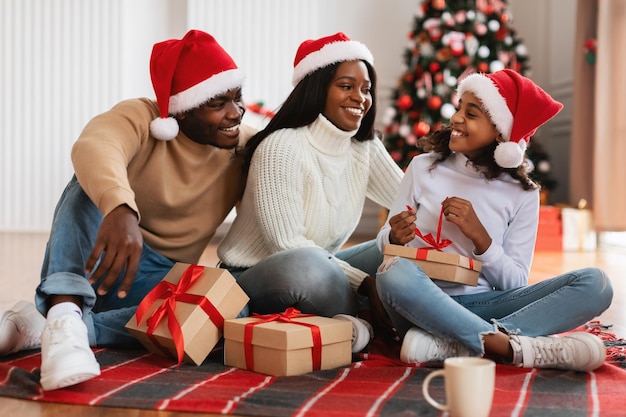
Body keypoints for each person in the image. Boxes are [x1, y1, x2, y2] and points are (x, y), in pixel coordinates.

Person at [0, 29, 255, 390]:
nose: (235, 113)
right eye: (218, 104)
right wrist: (120, 208)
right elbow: (94, 144)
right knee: (86, 186)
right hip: (100, 254)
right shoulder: (142, 116)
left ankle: (62, 327)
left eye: (238, 98)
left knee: (231, 310)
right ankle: (66, 306)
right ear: (180, 110)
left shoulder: (244, 145)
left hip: (155, 283)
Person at [375, 69, 613, 371]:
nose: (457, 118)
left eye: (471, 114)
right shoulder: (423, 167)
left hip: (488, 304)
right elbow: (386, 247)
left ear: (501, 132)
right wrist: (394, 237)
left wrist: (481, 239)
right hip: (423, 299)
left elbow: (514, 282)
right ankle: (508, 346)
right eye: (460, 107)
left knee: (597, 284)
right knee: (393, 274)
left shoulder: (522, 194)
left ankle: (454, 342)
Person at [217, 32, 404, 352]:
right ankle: (374, 320)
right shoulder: (281, 147)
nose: (360, 97)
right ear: (318, 89)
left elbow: (412, 199)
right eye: (346, 86)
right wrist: (365, 284)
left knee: (393, 250)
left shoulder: (365, 146)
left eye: (366, 89)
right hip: (254, 275)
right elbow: (286, 246)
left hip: (324, 265)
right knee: (309, 265)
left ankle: (377, 324)